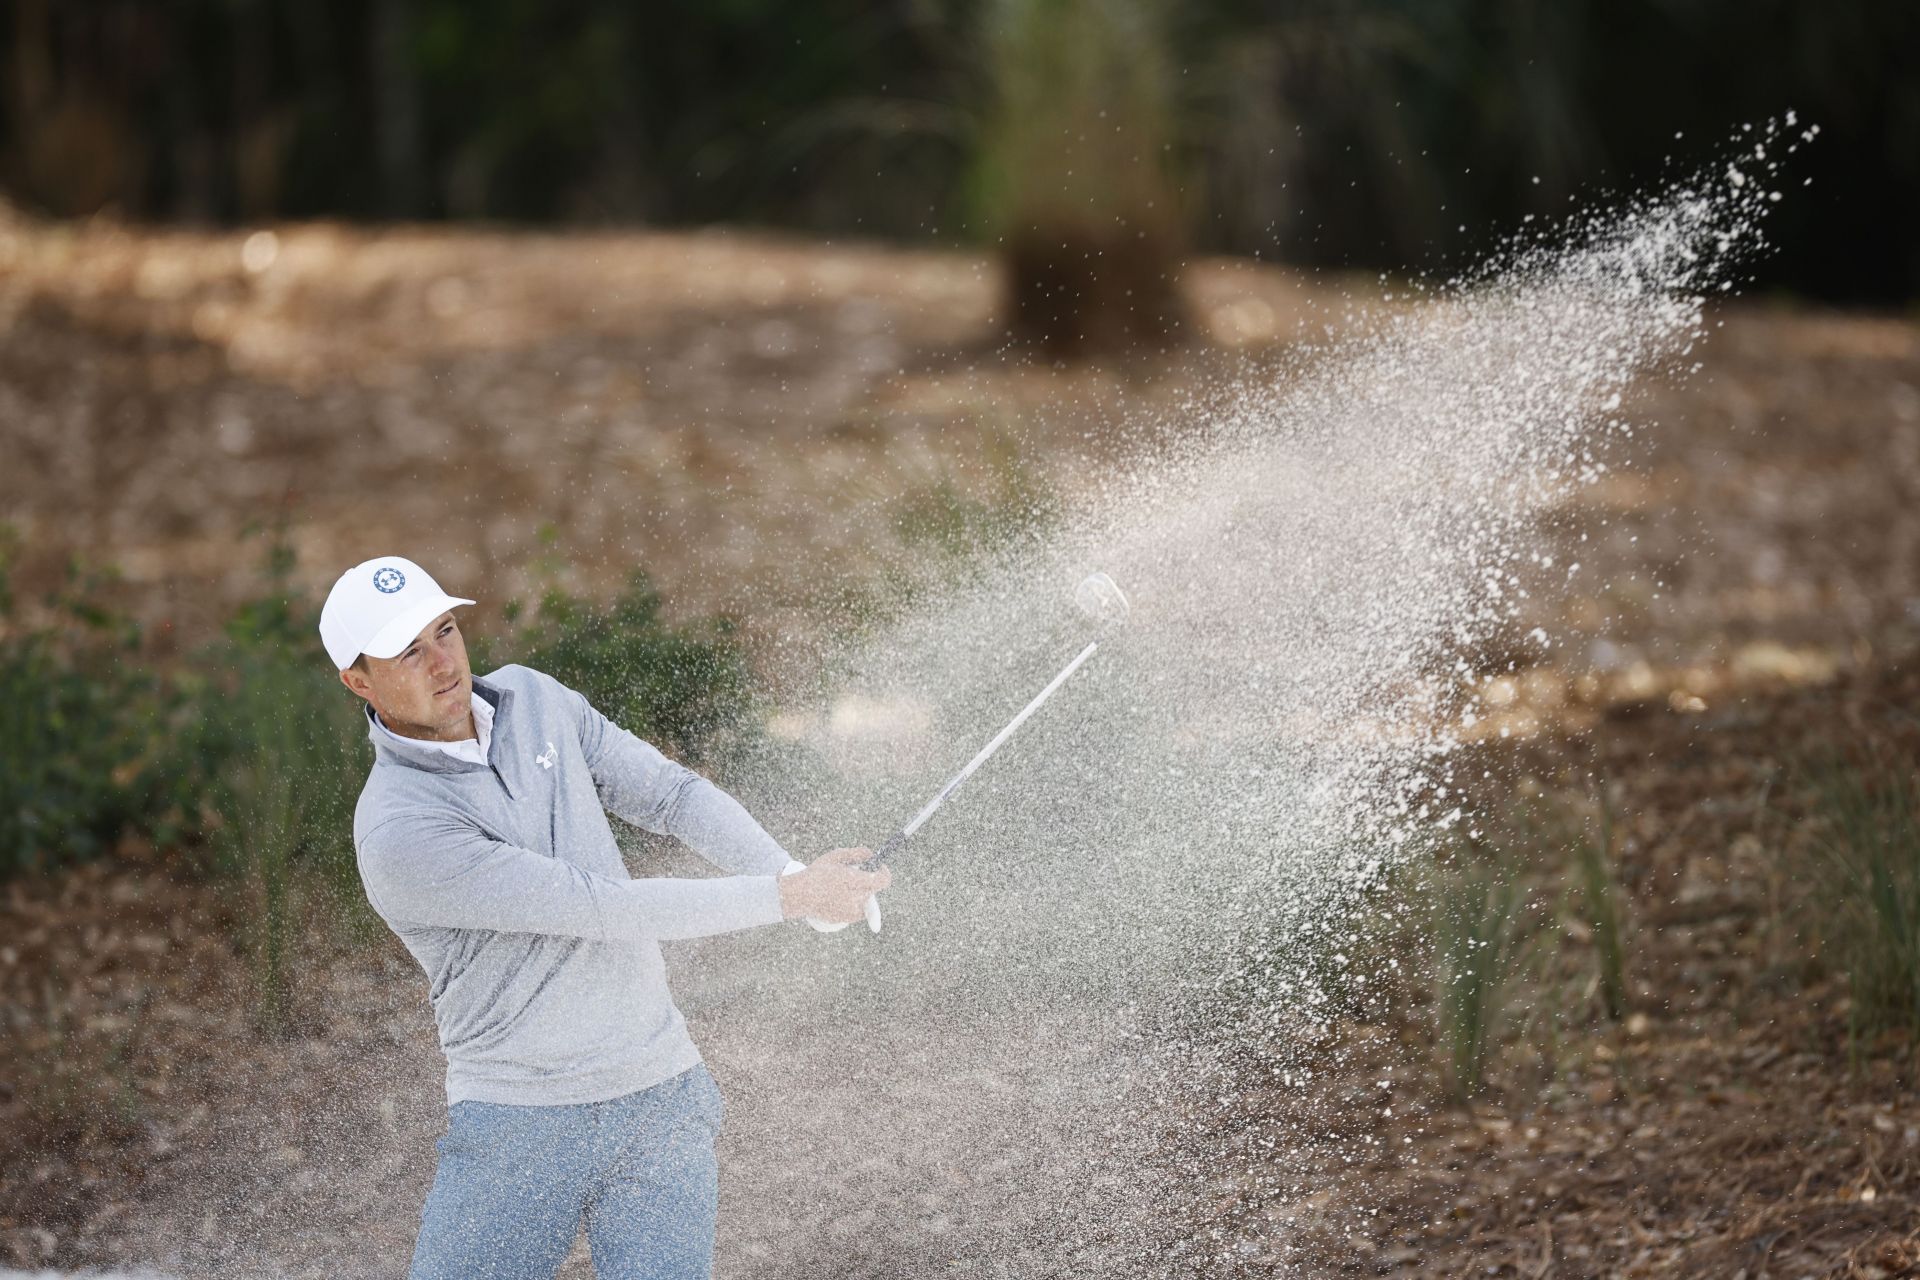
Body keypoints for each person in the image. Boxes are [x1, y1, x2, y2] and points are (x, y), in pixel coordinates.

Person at [318, 555, 888, 1279]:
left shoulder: (535, 699)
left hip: (661, 1095)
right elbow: (598, 908)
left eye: (446, 631)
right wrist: (790, 899)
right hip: (520, 1124)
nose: (442, 663)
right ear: (359, 681)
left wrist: (789, 874)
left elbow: (671, 797)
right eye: (408, 652)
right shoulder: (400, 829)